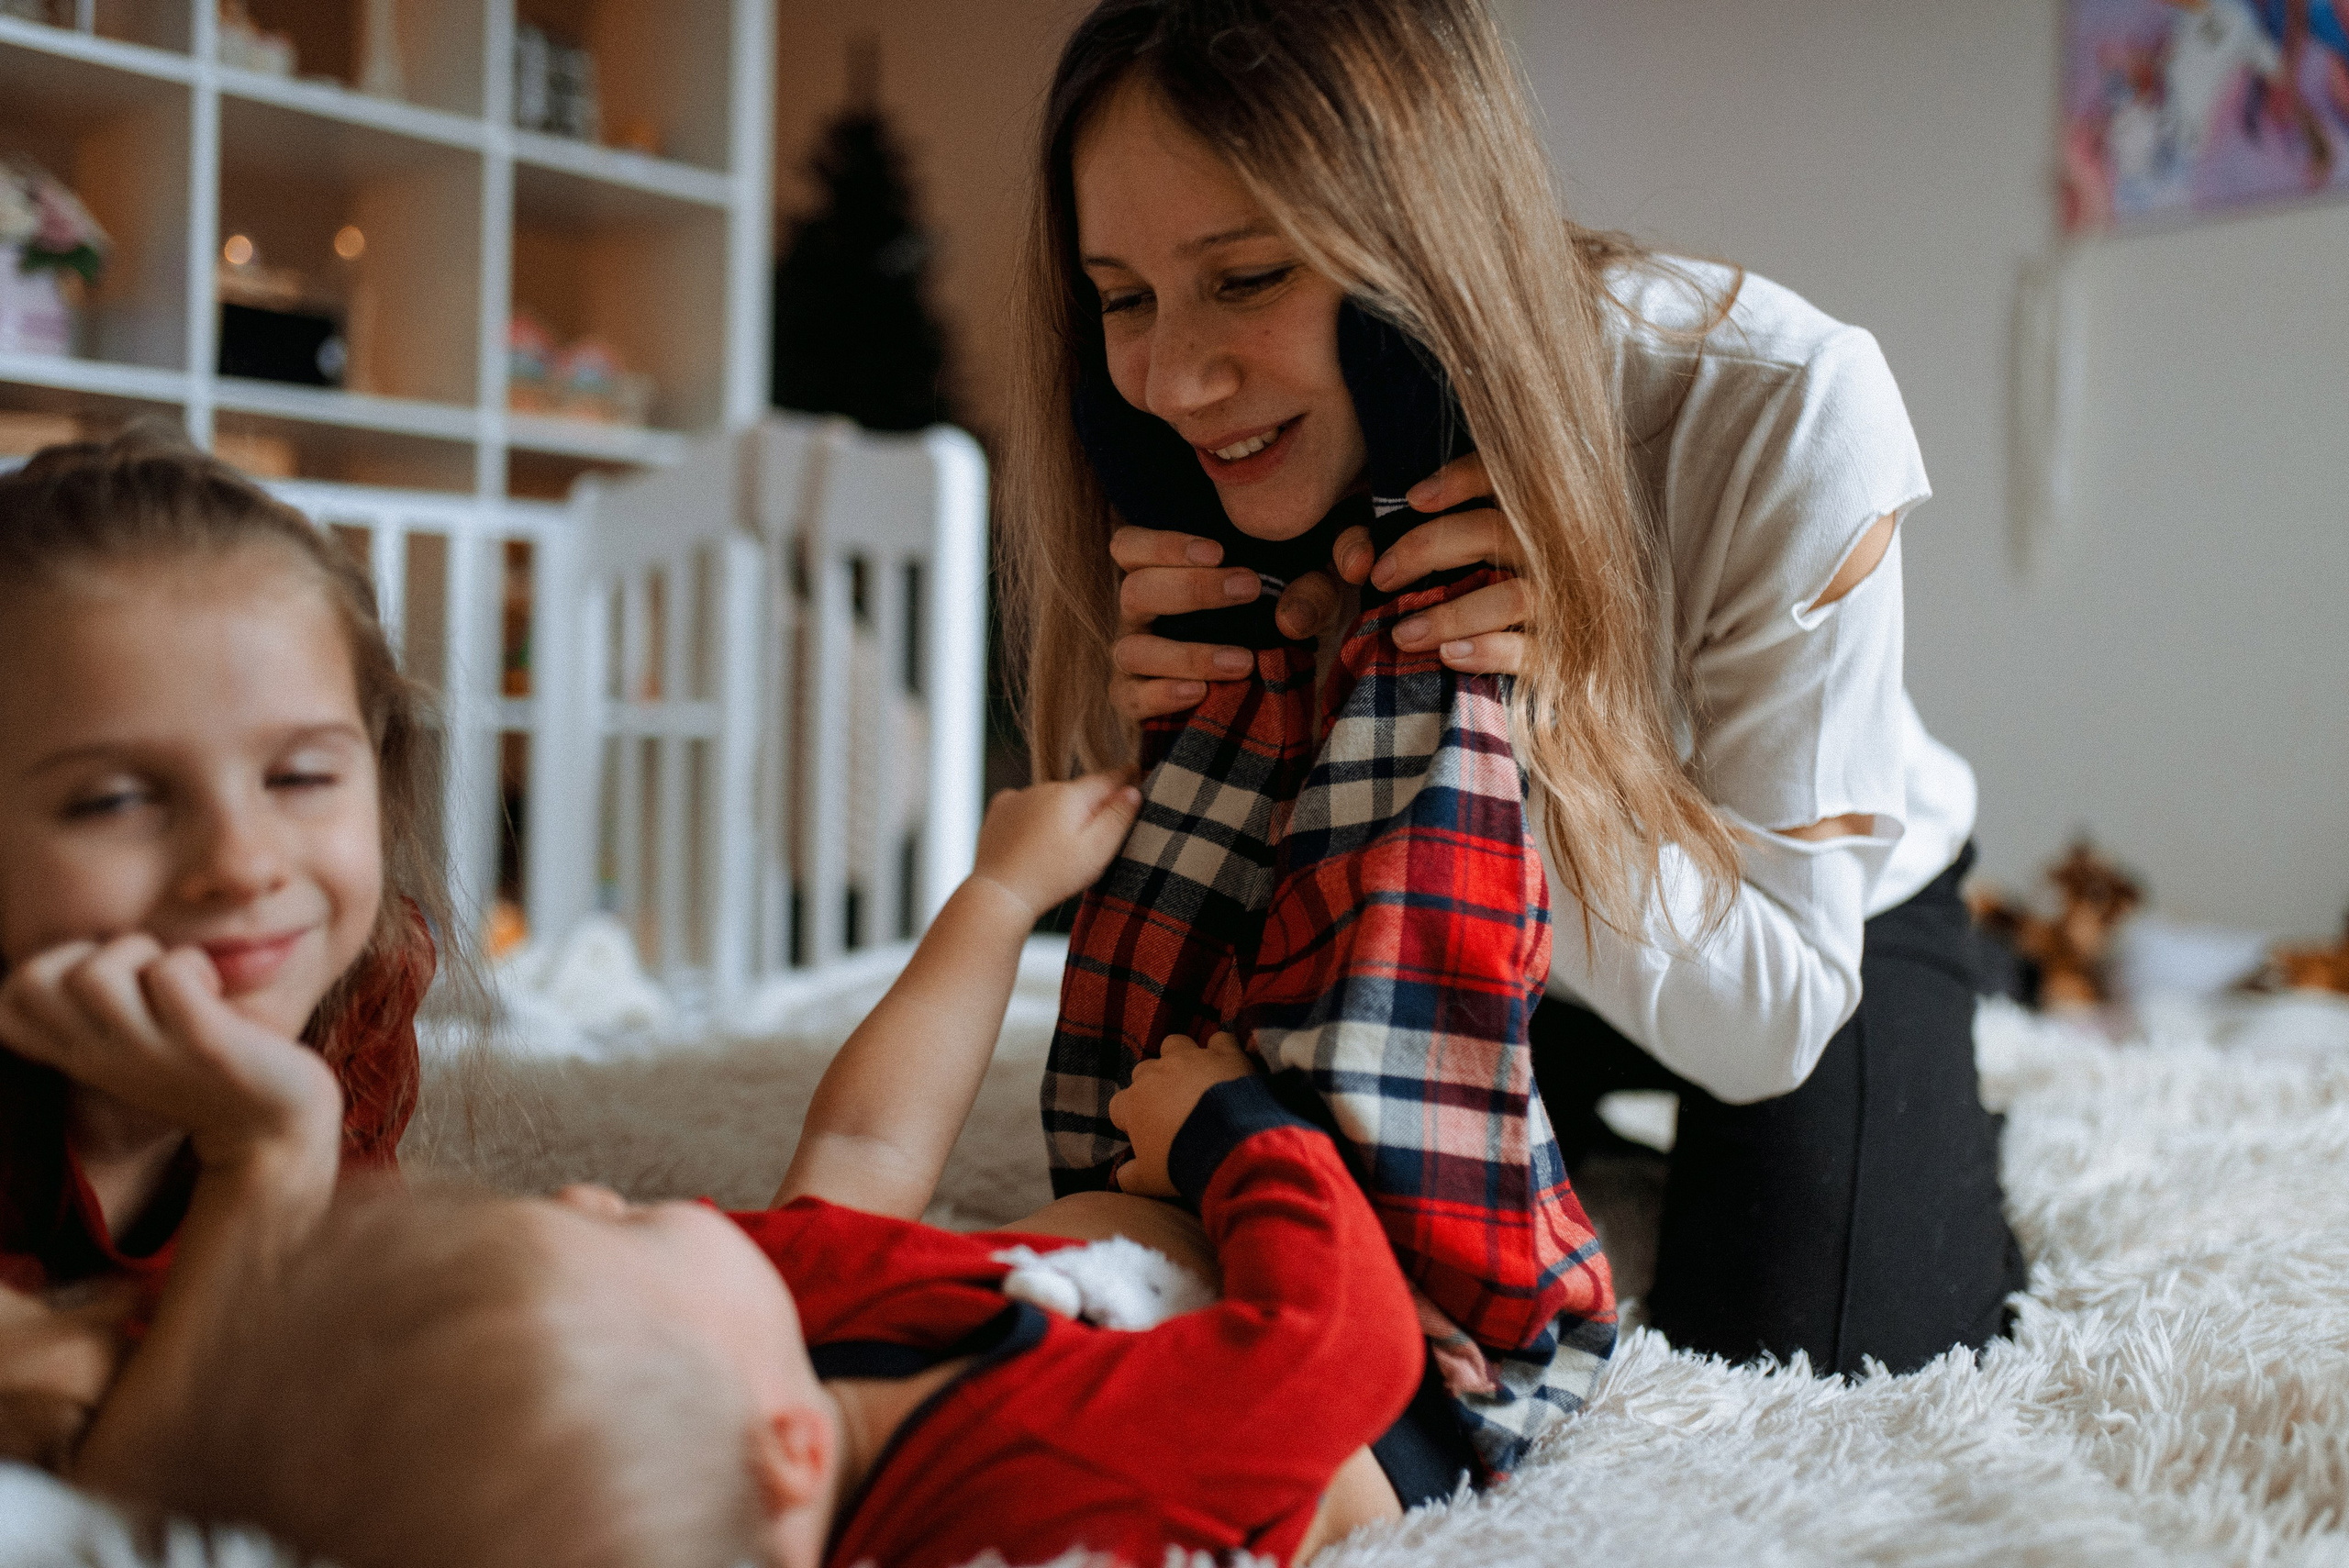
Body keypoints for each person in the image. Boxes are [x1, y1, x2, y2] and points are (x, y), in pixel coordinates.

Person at [1005, 0, 2025, 1419]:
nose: (1177, 379)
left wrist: (1538, 738)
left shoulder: (1779, 406)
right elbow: (1184, 1008)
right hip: (1437, 917)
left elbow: (1775, 1019)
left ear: (1417, 240)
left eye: (1244, 277)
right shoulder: (1199, 462)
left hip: (1789, 927)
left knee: (1813, 1366)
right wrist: (1185, 763)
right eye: (1124, 296)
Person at [8, 758, 1428, 1568]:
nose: (586, 1189)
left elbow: (863, 1148)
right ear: (790, 1443)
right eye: (622, 1225)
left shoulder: (734, 1389)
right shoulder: (1046, 1471)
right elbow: (1341, 1352)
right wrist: (1242, 1139)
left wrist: (998, 900)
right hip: (1343, 1356)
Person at [0, 431, 448, 1453]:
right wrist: (266, 1149)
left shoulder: (361, 984)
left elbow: (342, 1337)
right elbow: (161, 1480)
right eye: (114, 798)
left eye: (298, 778)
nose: (244, 864)